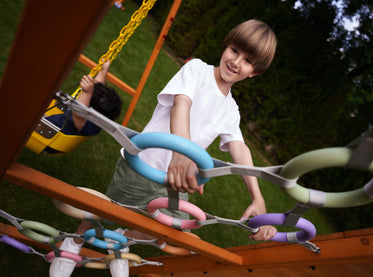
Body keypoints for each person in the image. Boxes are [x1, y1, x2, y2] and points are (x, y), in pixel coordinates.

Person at [50, 19, 277, 277]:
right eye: (235, 51)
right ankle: (73, 242)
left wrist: (257, 197)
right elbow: (182, 105)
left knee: (171, 227)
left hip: (175, 179)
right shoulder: (197, 70)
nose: (236, 61)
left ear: (253, 73)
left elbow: (240, 149)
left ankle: (118, 242)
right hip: (143, 165)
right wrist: (182, 153)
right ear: (226, 46)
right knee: (109, 212)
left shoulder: (231, 110)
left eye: (247, 61)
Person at [44, 60, 122, 154]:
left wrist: (86, 92)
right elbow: (97, 90)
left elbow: (80, 113)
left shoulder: (86, 124)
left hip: (45, 137)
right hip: (50, 130)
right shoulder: (99, 120)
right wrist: (103, 71)